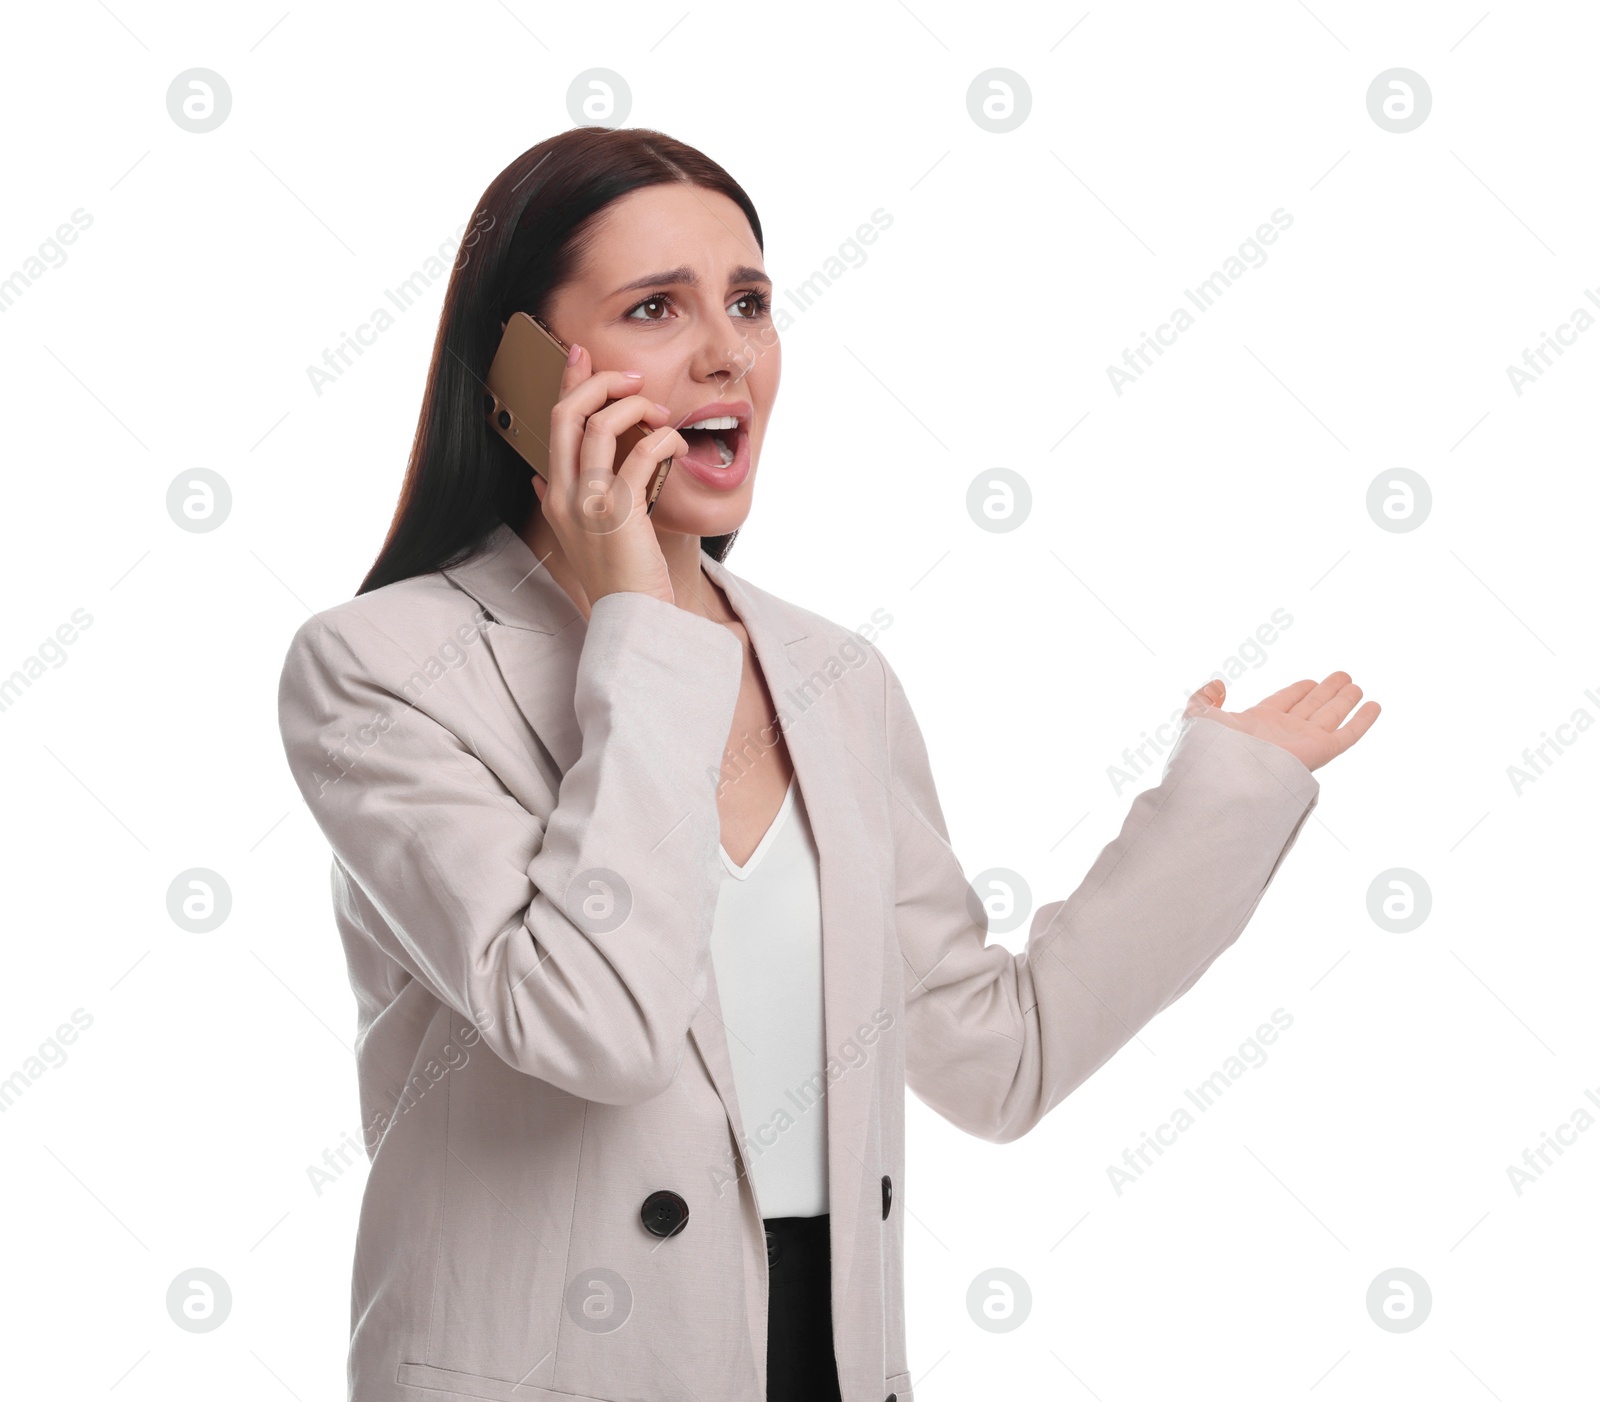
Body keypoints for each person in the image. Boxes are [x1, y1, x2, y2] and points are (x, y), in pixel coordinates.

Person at [276, 125, 1379, 1402]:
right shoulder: (379, 668)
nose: (723, 353)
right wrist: (641, 623)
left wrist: (1222, 796)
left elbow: (993, 1057)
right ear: (521, 371)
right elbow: (589, 1026)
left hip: (824, 1357)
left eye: (748, 303)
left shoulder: (831, 679)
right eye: (655, 307)